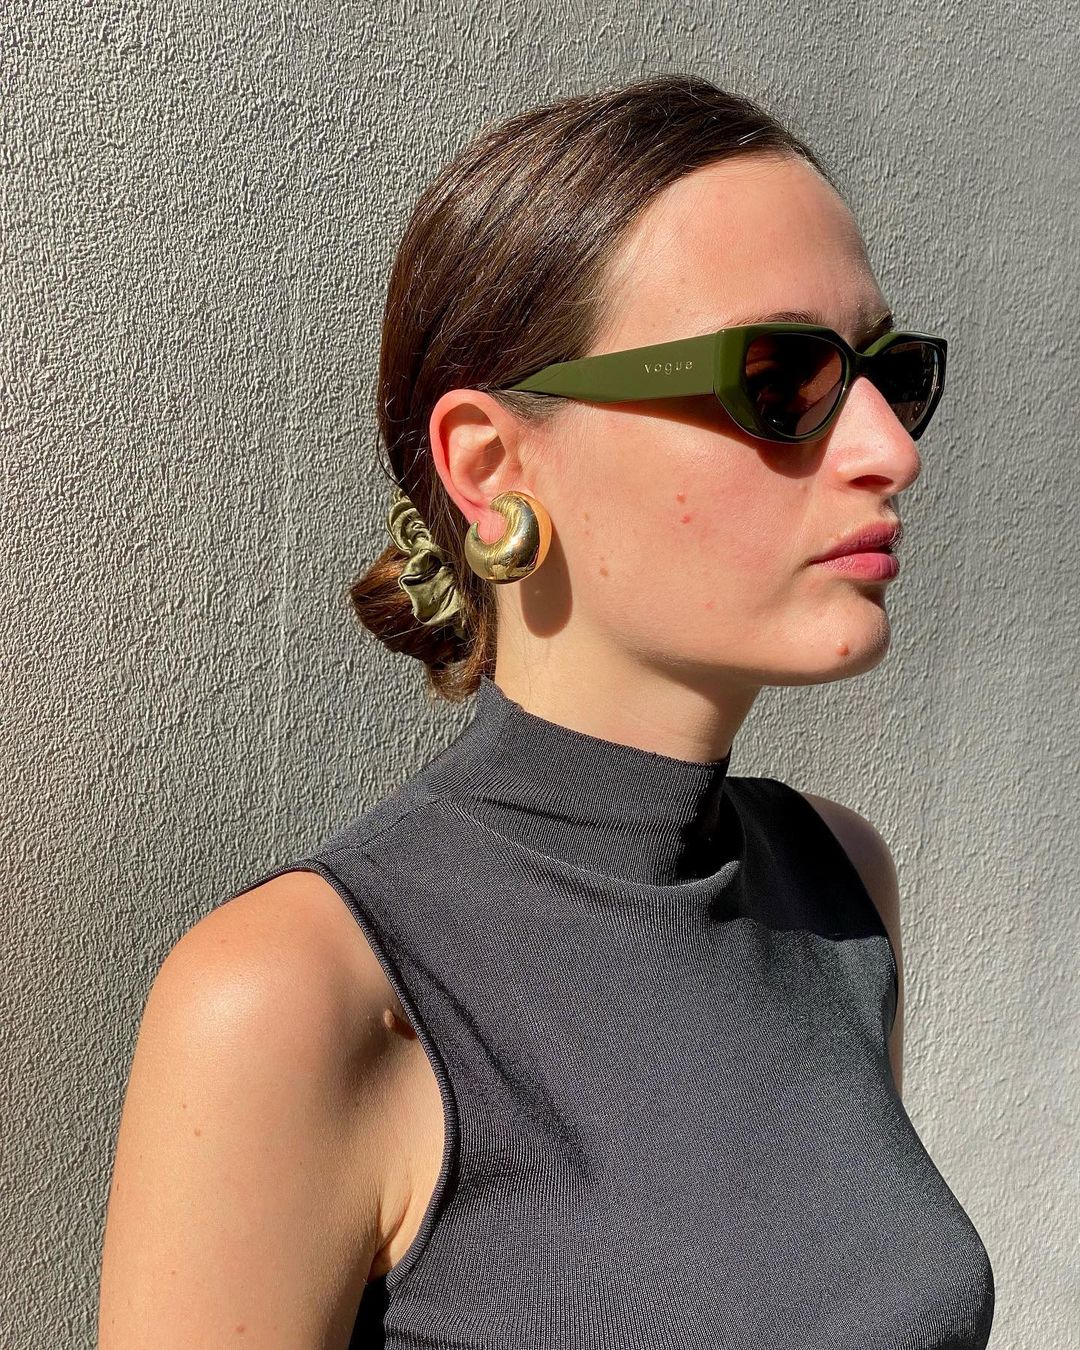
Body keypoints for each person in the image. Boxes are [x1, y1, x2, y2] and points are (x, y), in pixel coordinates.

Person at [98, 73, 994, 1349]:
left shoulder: (838, 884)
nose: (890, 451)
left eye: (887, 375)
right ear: (492, 465)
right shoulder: (298, 997)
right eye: (781, 378)